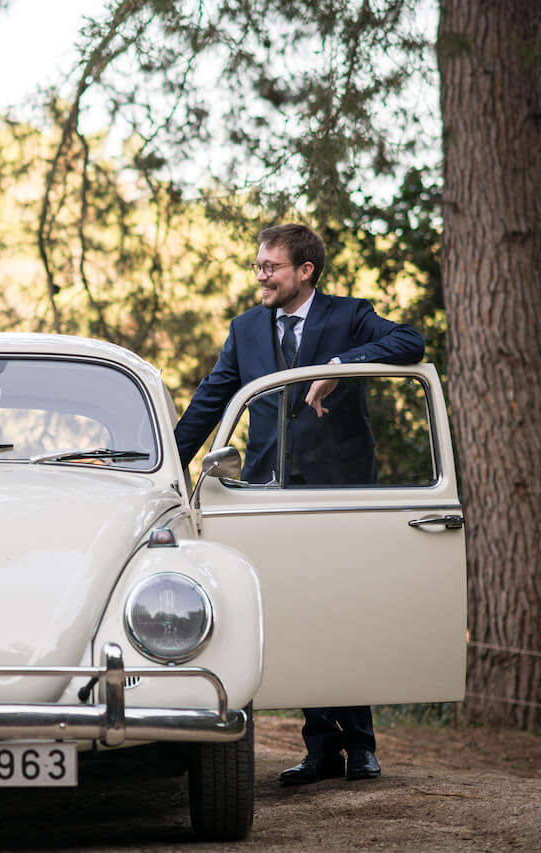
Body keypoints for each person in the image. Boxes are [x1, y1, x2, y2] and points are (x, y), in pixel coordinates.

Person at [173, 224, 425, 786]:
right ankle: (320, 751)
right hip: (269, 493)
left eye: (271, 266)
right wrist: (165, 464)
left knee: (342, 606)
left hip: (340, 492)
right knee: (292, 611)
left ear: (305, 271)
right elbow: (210, 400)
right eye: (259, 265)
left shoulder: (350, 315)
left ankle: (360, 746)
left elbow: (409, 342)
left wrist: (341, 367)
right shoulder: (244, 330)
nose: (260, 275)